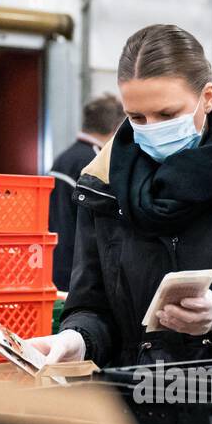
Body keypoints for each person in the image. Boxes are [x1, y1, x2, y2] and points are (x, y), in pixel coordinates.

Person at [28, 24, 212, 368]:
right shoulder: (103, 188)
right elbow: (93, 307)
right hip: (143, 399)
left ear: (207, 97)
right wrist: (78, 339)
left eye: (167, 115)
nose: (152, 128)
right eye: (136, 117)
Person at [47, 94, 125, 292]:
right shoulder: (96, 162)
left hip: (55, 263)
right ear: (117, 127)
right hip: (79, 269)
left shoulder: (63, 158)